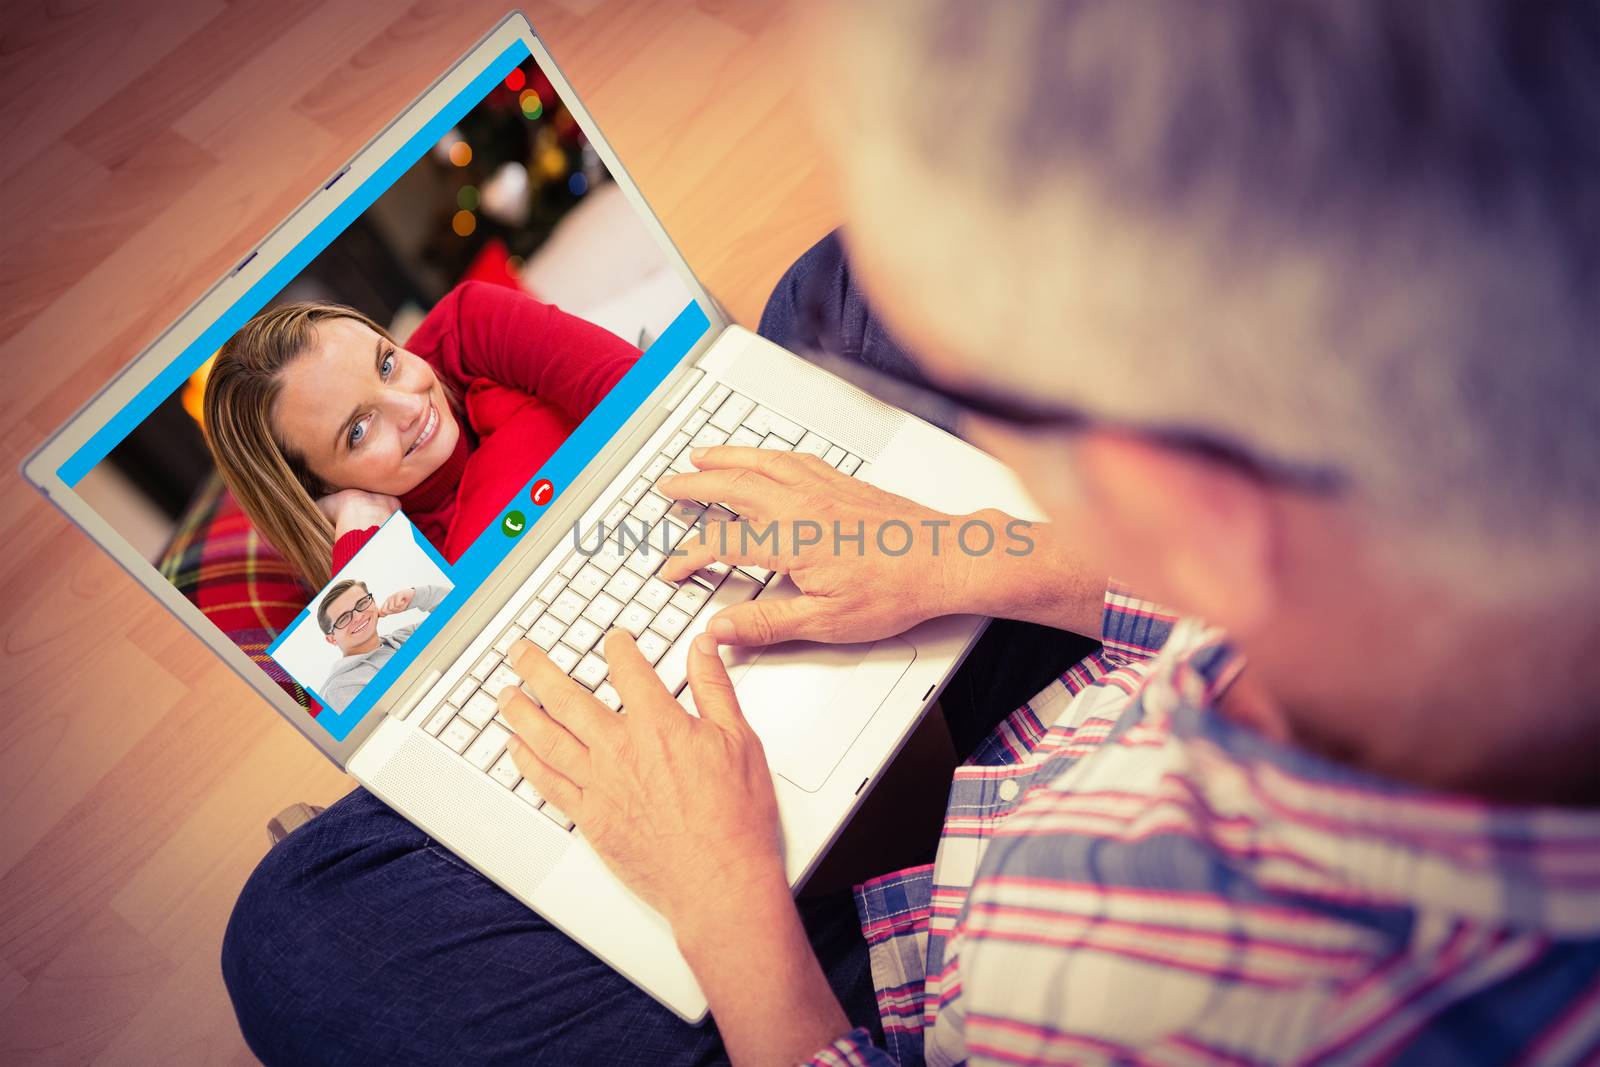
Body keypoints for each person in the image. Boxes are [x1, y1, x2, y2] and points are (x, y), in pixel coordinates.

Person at [222, 3, 1600, 1065]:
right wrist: (960, 549)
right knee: (830, 298)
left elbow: (483, 332)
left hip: (906, 949)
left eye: (1012, 391)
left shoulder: (1208, 1010)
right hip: (1098, 689)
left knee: (305, 924)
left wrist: (726, 902)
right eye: (355, 430)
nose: (403, 408)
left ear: (1182, 489)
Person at [203, 281, 642, 590]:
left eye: (387, 364)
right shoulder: (381, 554)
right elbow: (402, 689)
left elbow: (646, 391)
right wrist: (358, 533)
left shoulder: (468, 324)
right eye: (358, 430)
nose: (412, 406)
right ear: (318, 487)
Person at [315, 579, 450, 713]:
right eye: (343, 618)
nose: (358, 617)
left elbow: (457, 609)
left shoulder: (403, 637)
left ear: (373, 603)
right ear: (332, 639)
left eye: (362, 603)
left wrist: (416, 596)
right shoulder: (340, 689)